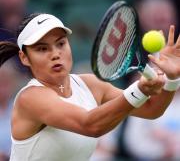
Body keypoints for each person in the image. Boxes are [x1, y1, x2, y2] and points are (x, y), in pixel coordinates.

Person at [0, 13, 180, 161]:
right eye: (42, 49)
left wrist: (172, 79)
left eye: (61, 43)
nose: (55, 54)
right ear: (24, 57)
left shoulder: (91, 85)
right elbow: (90, 125)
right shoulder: (30, 98)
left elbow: (151, 110)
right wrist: (139, 90)